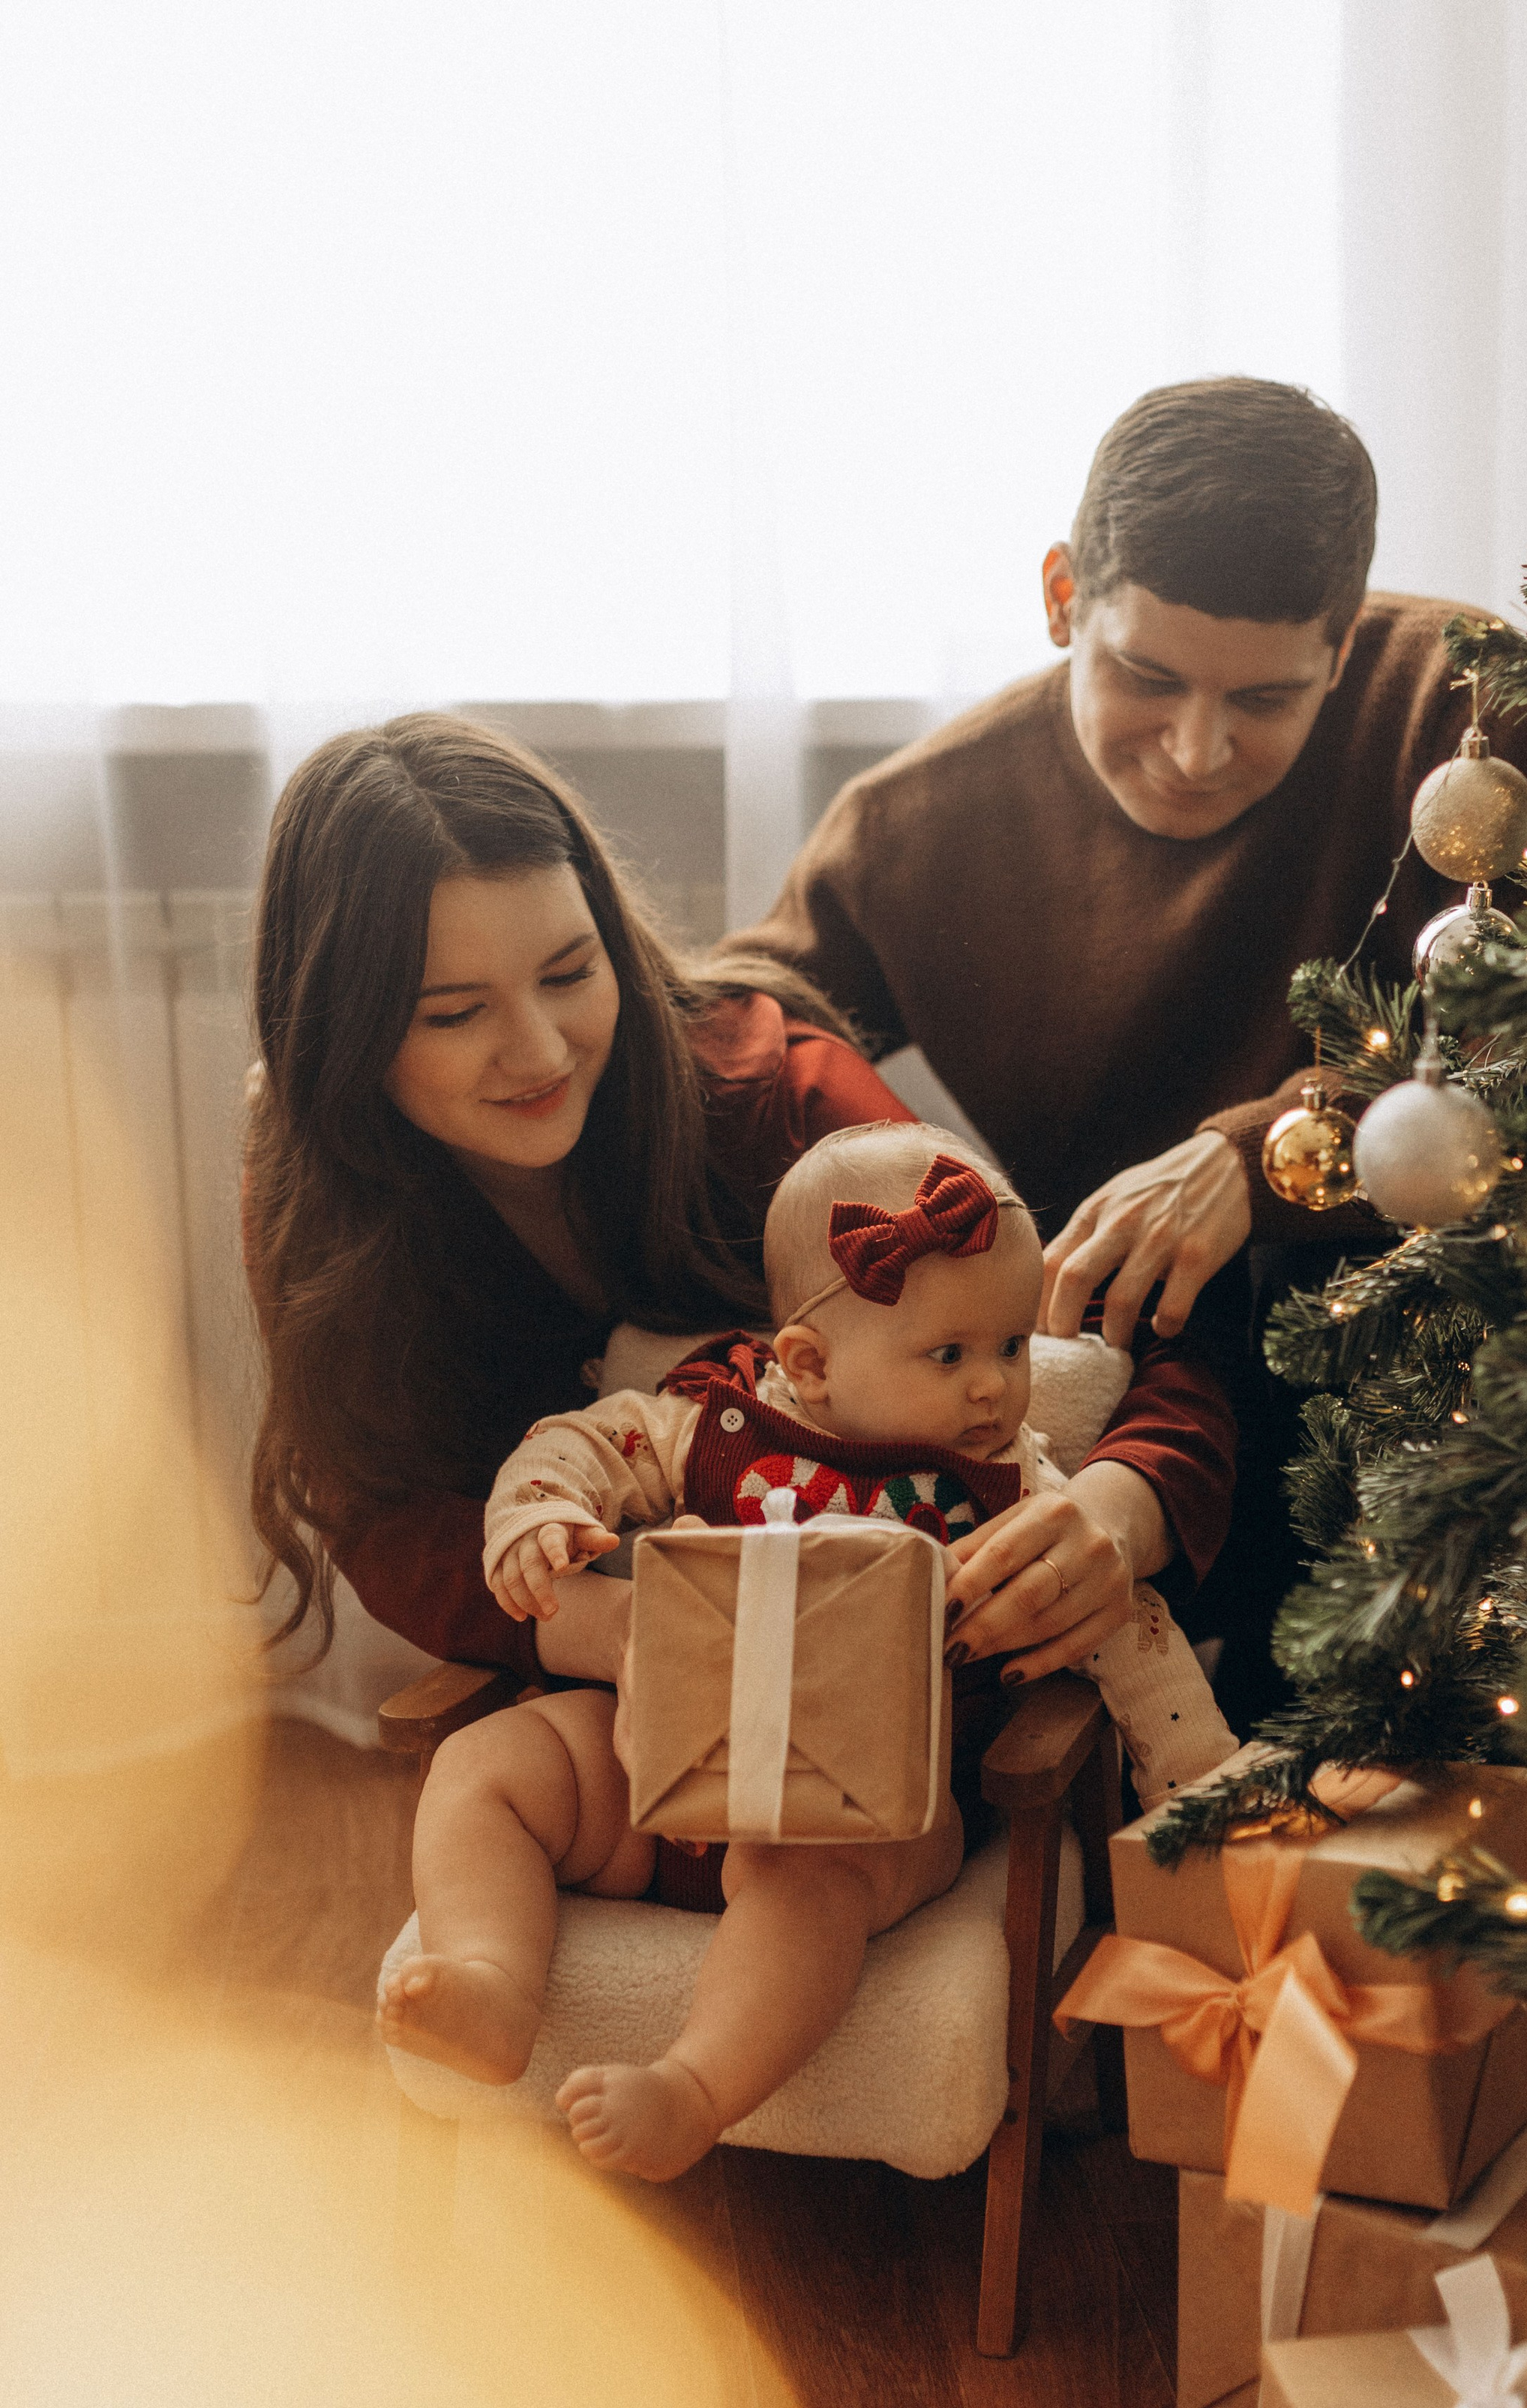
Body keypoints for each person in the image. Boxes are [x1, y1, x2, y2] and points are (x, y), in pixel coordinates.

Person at [245, 715, 1237, 1911]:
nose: (540, 1048)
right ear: (342, 1039)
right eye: (453, 1013)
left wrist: (1115, 1516)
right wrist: (622, 1631)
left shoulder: (780, 1098)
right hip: (606, 1742)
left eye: (570, 972)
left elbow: (1117, 1351)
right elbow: (387, 1520)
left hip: (899, 1752)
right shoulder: (321, 1203)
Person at [715, 377, 1527, 1719]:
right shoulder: (915, 825)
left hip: (1421, 1349)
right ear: (1063, 597)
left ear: (1341, 647)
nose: (1194, 749)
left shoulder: (1464, 718)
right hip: (1127, 1355)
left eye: (1265, 699)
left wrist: (1262, 1155)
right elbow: (743, 1031)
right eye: (1148, 678)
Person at [379, 1124, 1238, 2176]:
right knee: (487, 1765)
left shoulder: (1015, 1495)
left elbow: (1127, 1632)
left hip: (867, 1804)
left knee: (812, 1881)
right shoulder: (712, 1419)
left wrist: (1203, 1786)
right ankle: (489, 1979)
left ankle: (693, 2086)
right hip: (659, 1768)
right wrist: (540, 1513)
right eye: (951, 1356)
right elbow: (582, 1440)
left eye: (1012, 1348)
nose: (995, 1388)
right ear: (809, 1364)